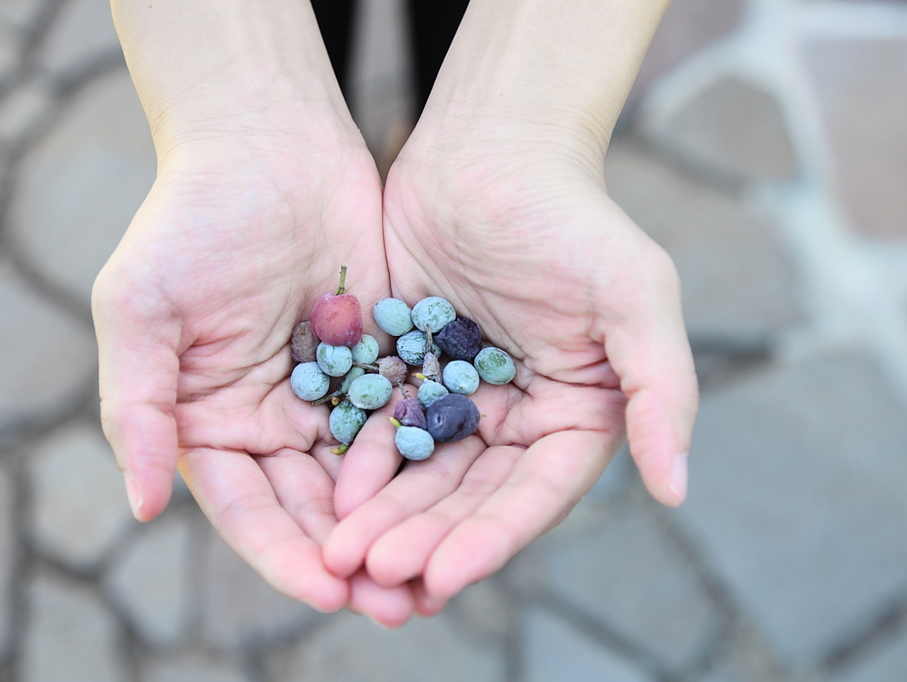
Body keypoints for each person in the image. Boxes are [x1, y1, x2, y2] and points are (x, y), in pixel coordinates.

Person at [91, 0, 699, 628]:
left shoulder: (411, 363)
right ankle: (351, 135)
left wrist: (517, 128)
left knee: (450, 34)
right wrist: (245, 127)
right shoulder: (380, 363)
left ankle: (426, 135)